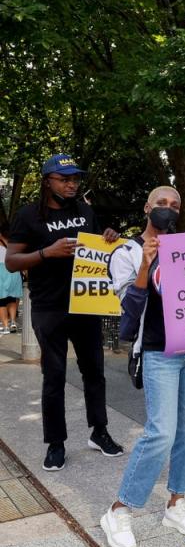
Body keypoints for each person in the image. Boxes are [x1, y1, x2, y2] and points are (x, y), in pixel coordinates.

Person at [100, 186, 185, 547]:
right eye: (161, 204)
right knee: (160, 432)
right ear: (147, 207)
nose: (168, 210)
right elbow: (128, 314)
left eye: (175, 205)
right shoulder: (125, 252)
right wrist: (146, 265)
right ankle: (120, 509)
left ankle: (176, 502)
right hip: (158, 351)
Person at [5, 154, 123, 471]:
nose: (72, 184)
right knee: (54, 376)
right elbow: (12, 261)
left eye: (75, 179)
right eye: (64, 178)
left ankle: (99, 432)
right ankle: (56, 444)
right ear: (47, 182)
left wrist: (108, 237)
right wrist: (46, 252)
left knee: (94, 372)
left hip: (85, 303)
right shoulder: (28, 215)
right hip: (48, 306)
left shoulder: (84, 210)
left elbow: (99, 246)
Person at [0, 227, 23, 334]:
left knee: (1, 301)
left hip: (2, 271)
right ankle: (13, 321)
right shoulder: (15, 245)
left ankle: (5, 326)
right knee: (12, 298)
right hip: (13, 270)